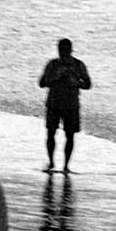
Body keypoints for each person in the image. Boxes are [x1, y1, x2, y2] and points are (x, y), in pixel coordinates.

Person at [38, 37, 92, 173]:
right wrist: (55, 77)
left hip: (71, 105)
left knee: (70, 135)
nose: (63, 52)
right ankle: (51, 162)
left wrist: (75, 82)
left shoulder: (78, 65)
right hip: (54, 104)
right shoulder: (52, 65)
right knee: (51, 134)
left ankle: (66, 165)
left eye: (65, 50)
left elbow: (88, 84)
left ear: (70, 50)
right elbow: (41, 83)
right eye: (61, 50)